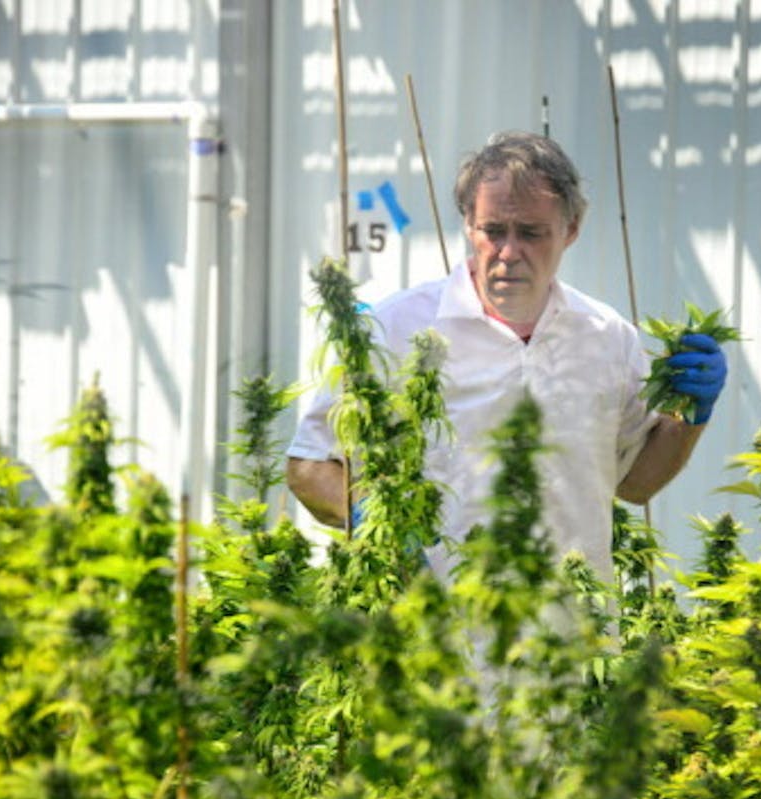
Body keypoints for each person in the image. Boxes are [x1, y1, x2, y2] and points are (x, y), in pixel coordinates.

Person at [286, 131, 726, 583]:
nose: (509, 253)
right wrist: (375, 521)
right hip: (431, 627)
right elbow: (309, 465)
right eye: (493, 231)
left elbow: (636, 483)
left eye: (531, 233)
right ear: (468, 225)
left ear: (571, 229)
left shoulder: (607, 337)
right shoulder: (398, 328)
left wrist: (689, 415)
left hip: (569, 630)